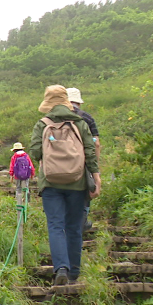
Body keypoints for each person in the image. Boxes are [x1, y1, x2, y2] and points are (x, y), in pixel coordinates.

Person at [30, 85, 101, 286]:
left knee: (55, 225)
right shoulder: (81, 123)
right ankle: (74, 273)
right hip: (77, 182)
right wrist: (96, 177)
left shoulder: (42, 124)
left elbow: (35, 152)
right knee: (74, 227)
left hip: (51, 183)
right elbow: (90, 152)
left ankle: (61, 268)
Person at [67, 87, 100, 231]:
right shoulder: (87, 117)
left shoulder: (54, 117)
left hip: (59, 164)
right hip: (83, 163)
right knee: (85, 193)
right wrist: (94, 168)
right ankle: (82, 220)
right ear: (79, 102)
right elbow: (96, 143)